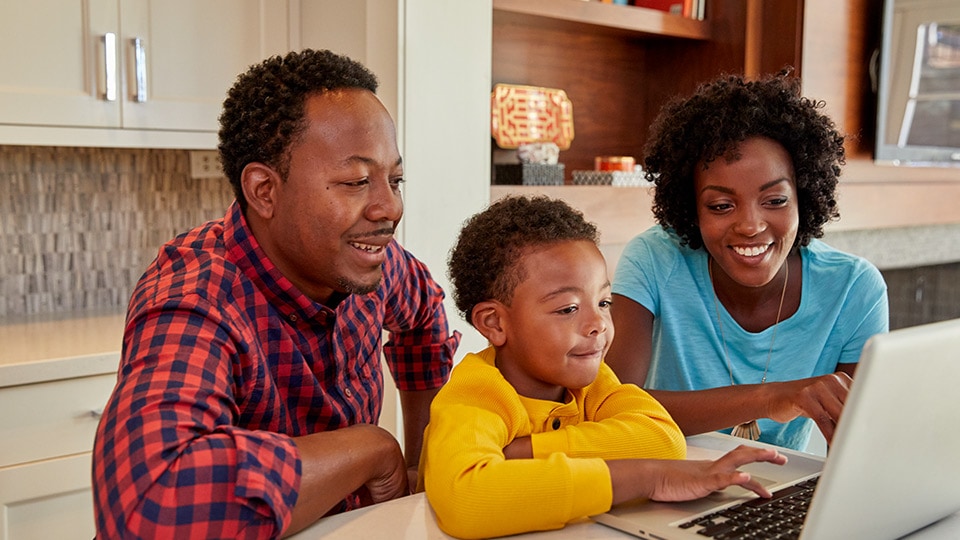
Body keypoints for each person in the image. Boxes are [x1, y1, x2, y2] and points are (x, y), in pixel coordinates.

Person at [91, 49, 461, 538]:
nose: (390, 206)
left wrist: (421, 463)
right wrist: (371, 450)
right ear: (264, 190)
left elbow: (423, 314)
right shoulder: (195, 295)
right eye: (355, 181)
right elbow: (150, 504)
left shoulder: (368, 262)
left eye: (395, 179)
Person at [418, 195, 788, 539]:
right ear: (495, 324)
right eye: (568, 309)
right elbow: (468, 498)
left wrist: (525, 452)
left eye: (604, 301)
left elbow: (663, 440)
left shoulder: (592, 382)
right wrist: (648, 479)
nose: (598, 324)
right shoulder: (476, 396)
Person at [606, 72, 889, 452]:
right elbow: (611, 407)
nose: (751, 226)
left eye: (775, 201)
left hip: (779, 491)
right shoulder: (655, 260)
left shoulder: (854, 288)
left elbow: (860, 437)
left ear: (804, 195)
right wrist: (771, 398)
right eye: (721, 206)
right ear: (690, 210)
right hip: (668, 477)